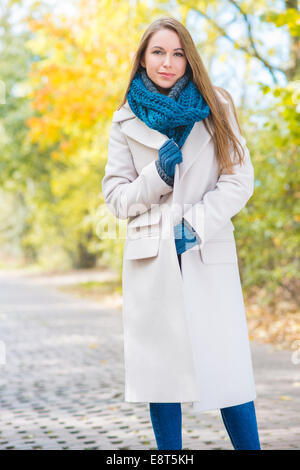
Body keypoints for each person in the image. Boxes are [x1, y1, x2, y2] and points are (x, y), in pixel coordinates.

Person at [102, 16, 261, 450]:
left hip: (205, 254)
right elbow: (117, 198)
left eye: (177, 53)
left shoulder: (217, 105)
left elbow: (239, 178)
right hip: (153, 261)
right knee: (163, 377)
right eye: (158, 52)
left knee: (228, 371)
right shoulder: (124, 120)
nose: (167, 62)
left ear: (189, 59)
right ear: (143, 58)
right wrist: (157, 174)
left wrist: (195, 226)